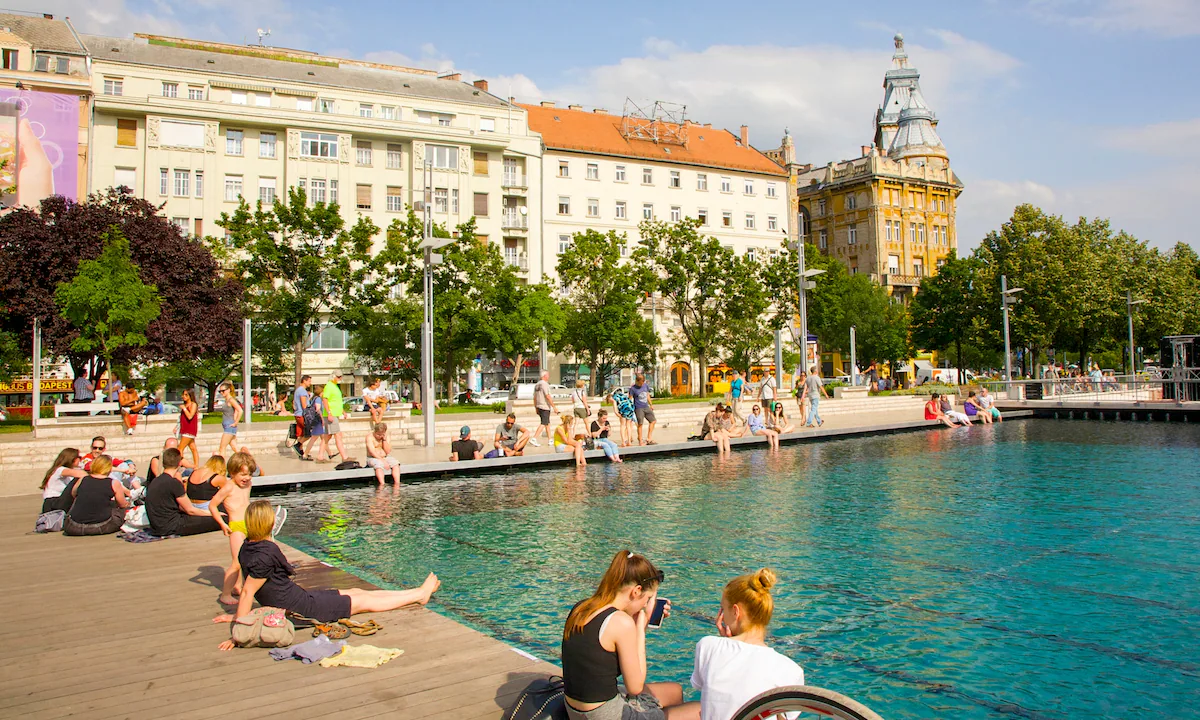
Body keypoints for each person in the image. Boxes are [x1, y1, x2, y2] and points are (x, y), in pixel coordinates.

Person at [215, 500, 440, 648]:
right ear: (266, 522)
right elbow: (246, 592)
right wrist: (238, 632)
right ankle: (419, 595)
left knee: (357, 592)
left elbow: (250, 585)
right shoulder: (266, 552)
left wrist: (237, 616)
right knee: (363, 601)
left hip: (299, 599)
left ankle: (415, 592)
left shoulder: (248, 545)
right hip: (301, 609)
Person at [561, 550, 686, 720]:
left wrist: (640, 619)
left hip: (575, 708)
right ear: (636, 591)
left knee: (675, 691)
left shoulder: (581, 608)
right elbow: (635, 687)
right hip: (603, 714)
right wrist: (640, 630)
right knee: (697, 710)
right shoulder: (621, 623)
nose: (645, 605)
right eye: (647, 599)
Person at [683, 569, 805, 720]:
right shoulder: (790, 670)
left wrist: (726, 642)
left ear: (735, 611)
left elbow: (705, 687)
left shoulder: (708, 646)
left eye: (722, 609)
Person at [209, 451, 257, 606]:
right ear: (232, 472)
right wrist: (222, 524)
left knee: (246, 559)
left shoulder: (248, 484)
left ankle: (237, 586)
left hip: (248, 523)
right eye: (243, 474)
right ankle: (225, 594)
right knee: (237, 562)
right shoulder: (228, 487)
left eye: (249, 474)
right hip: (236, 527)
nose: (247, 478)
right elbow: (213, 505)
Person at [145, 448, 222, 536]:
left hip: (157, 527)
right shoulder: (173, 483)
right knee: (220, 519)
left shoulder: (155, 481)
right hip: (172, 526)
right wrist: (214, 513)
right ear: (179, 463)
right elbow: (190, 510)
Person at [63, 455, 130, 536]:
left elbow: (73, 494)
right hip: (102, 526)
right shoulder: (114, 483)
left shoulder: (82, 479)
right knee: (123, 511)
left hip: (74, 527)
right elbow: (122, 504)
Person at [40, 447, 86, 514]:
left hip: (58, 502)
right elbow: (82, 474)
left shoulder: (67, 473)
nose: (80, 459)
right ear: (73, 459)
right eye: (79, 457)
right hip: (54, 502)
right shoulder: (60, 470)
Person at [322, 371, 350, 460]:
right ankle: (344, 457)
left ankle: (320, 456)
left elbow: (336, 401)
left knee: (327, 436)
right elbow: (325, 400)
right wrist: (329, 413)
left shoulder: (335, 387)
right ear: (333, 376)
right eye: (338, 377)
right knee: (338, 435)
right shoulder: (329, 386)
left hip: (335, 414)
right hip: (331, 415)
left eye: (341, 377)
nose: (340, 378)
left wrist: (343, 411)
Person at [531, 371, 558, 447]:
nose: (548, 376)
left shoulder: (537, 385)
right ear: (544, 376)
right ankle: (534, 438)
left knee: (547, 423)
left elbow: (535, 397)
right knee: (544, 423)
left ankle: (550, 439)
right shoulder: (544, 384)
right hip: (545, 406)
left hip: (539, 406)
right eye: (548, 375)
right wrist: (554, 407)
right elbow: (547, 396)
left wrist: (535, 406)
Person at [303, 384, 329, 462]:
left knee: (323, 437)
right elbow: (318, 409)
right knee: (314, 438)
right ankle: (305, 454)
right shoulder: (318, 399)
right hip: (317, 420)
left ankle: (330, 453)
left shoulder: (313, 398)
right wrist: (322, 419)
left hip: (315, 420)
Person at [216, 382, 243, 458]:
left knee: (222, 447)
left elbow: (240, 410)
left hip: (229, 427)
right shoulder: (227, 400)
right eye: (220, 391)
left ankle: (222, 467)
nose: (221, 393)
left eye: (223, 391)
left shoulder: (231, 400)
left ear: (228, 390)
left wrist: (236, 422)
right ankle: (247, 462)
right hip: (227, 426)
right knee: (235, 448)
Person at [630, 374, 657, 446]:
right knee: (640, 424)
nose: (642, 384)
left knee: (653, 421)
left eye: (643, 382)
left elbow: (647, 395)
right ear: (637, 381)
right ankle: (640, 441)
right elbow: (630, 399)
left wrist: (651, 404)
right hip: (638, 408)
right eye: (640, 382)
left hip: (646, 406)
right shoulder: (633, 388)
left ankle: (649, 438)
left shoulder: (645, 386)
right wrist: (630, 409)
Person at [291, 375, 312, 458]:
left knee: (302, 433)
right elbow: (304, 405)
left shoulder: (298, 390)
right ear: (304, 381)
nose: (310, 383)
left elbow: (294, 403)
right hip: (302, 415)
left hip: (298, 414)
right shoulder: (302, 391)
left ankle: (301, 452)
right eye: (309, 381)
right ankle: (298, 445)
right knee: (309, 432)